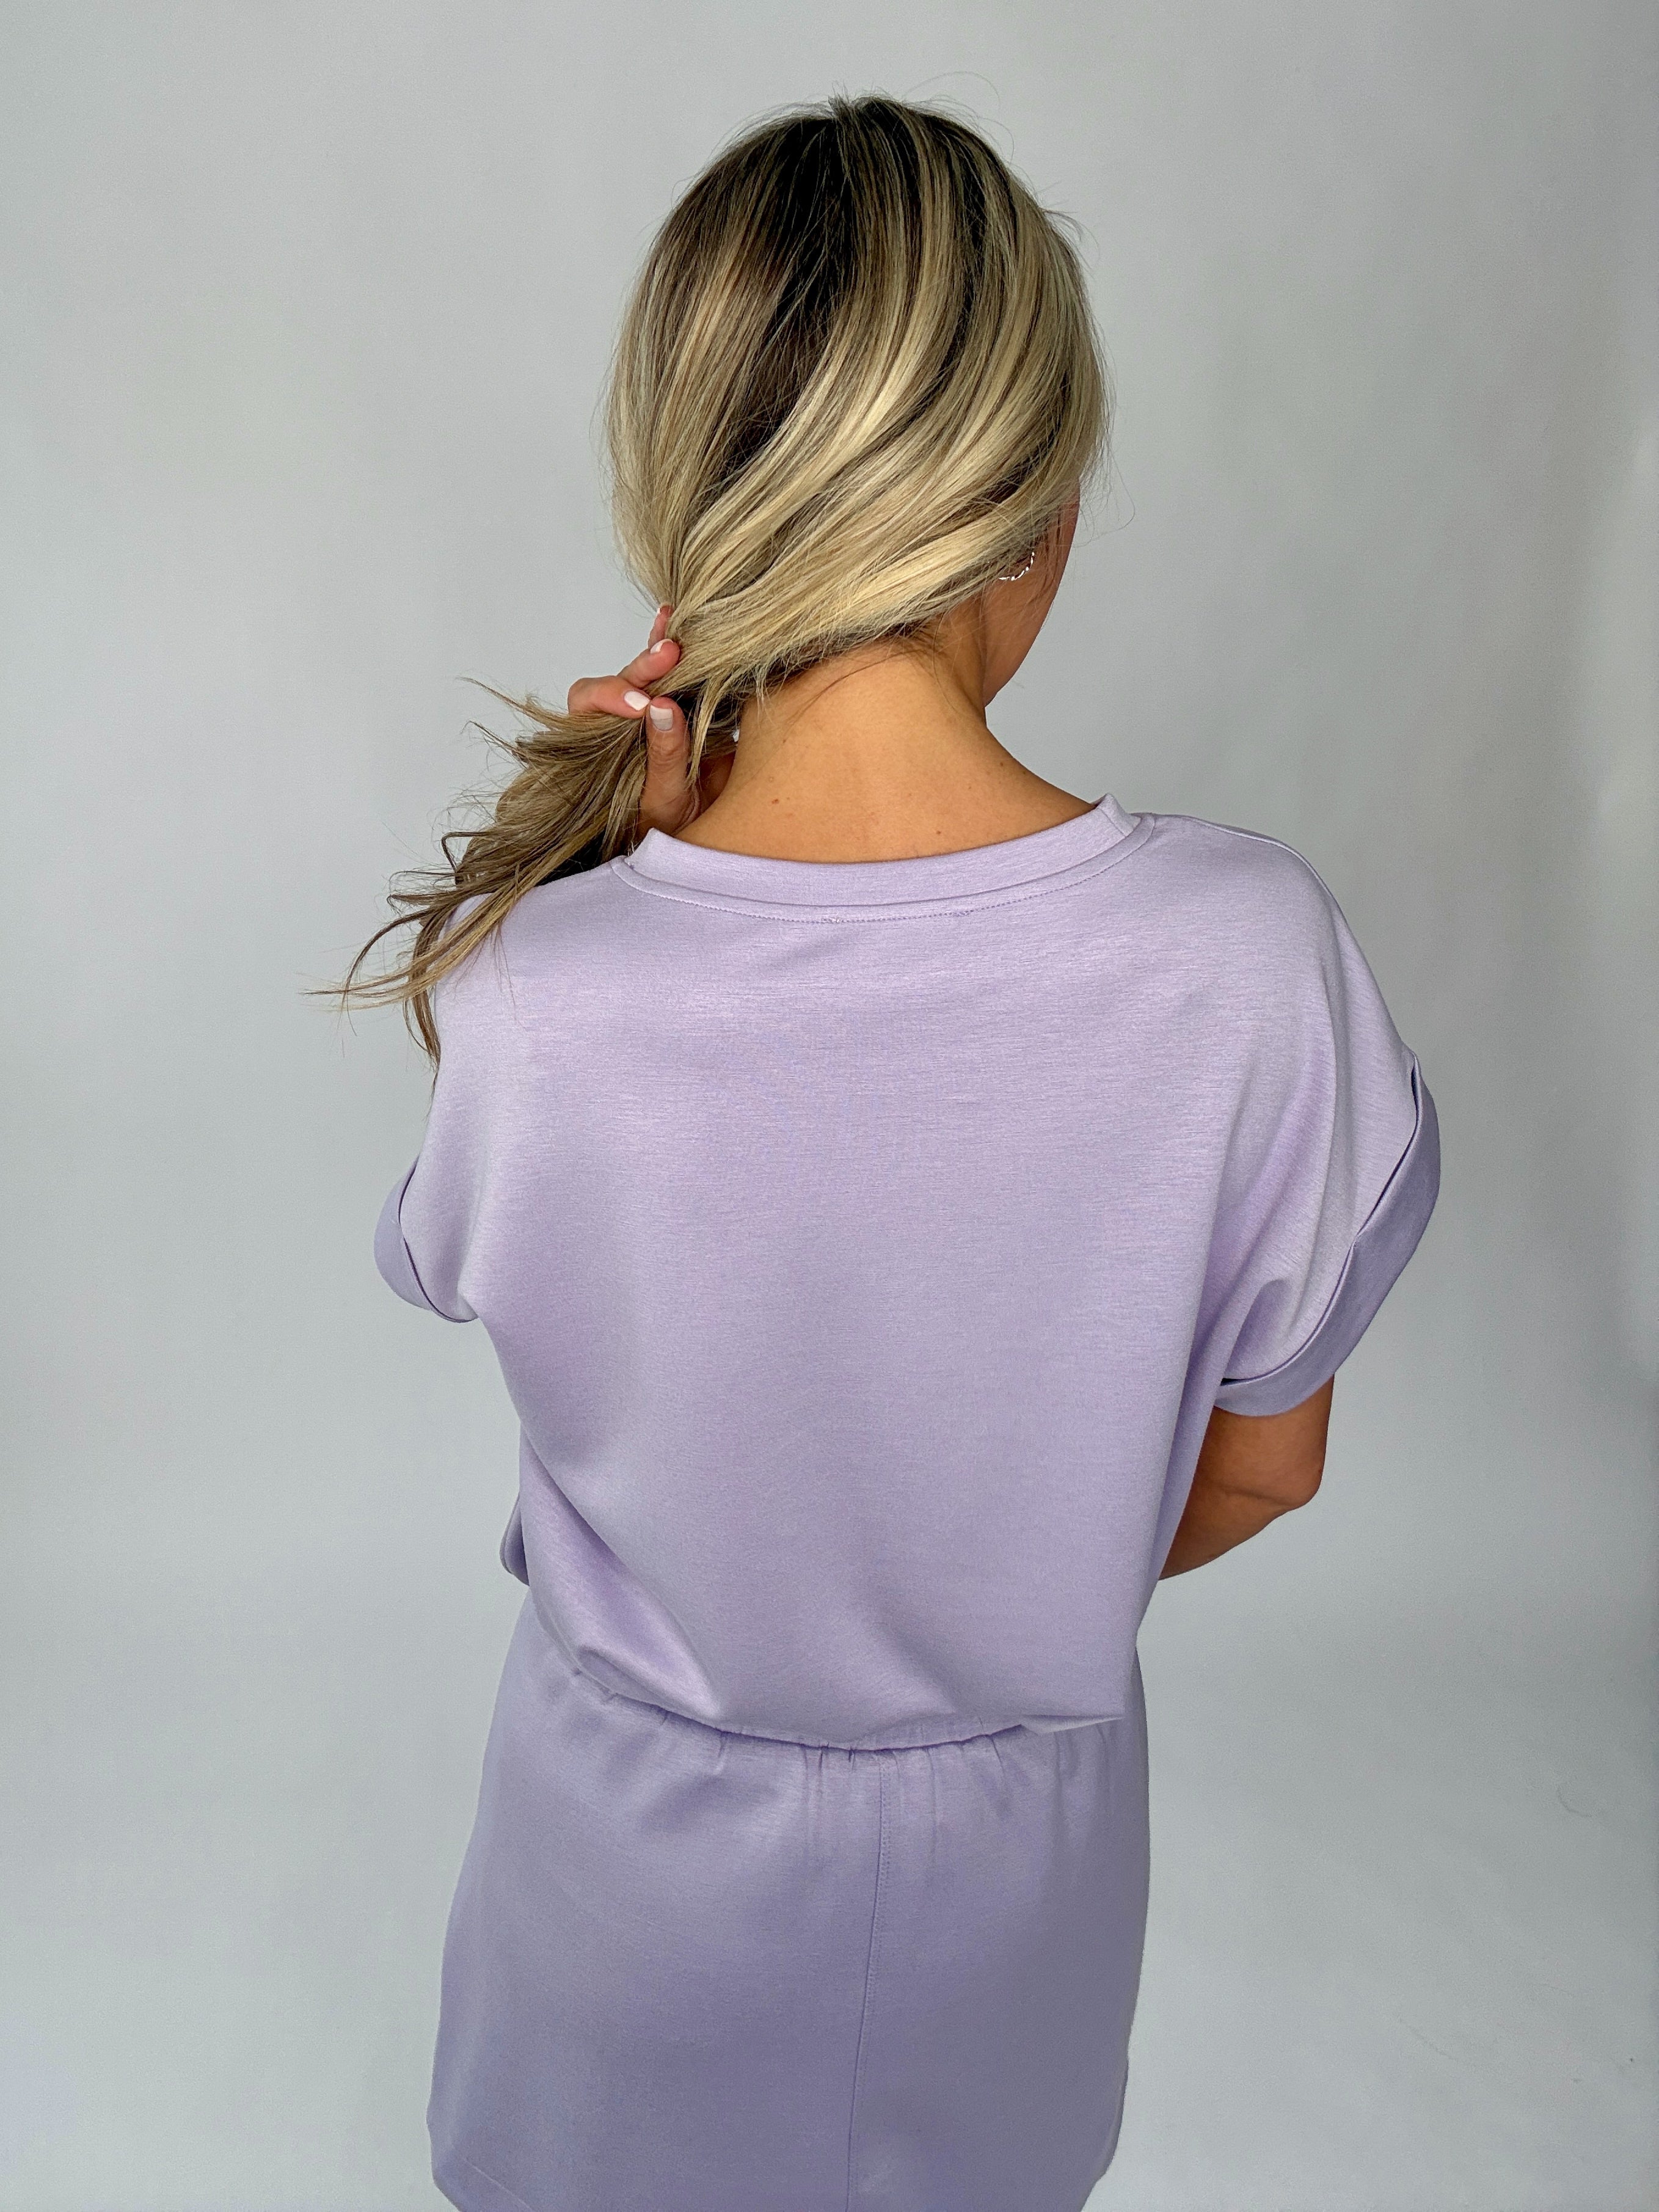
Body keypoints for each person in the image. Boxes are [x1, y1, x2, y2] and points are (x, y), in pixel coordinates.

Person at [338, 93, 1439, 2212]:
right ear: (1030, 500)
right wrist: (983, 1579)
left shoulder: (537, 983)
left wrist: (602, 875)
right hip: (1011, 1907)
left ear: (691, 493)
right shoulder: (1247, 959)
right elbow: (1261, 1469)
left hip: (619, 1893)